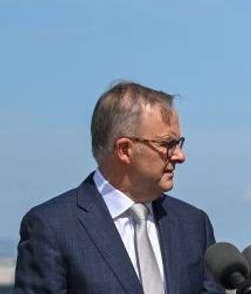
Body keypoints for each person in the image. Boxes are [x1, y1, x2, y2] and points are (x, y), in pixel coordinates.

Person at [15, 81, 223, 293]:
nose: (180, 156)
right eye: (167, 144)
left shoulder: (194, 224)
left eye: (179, 143)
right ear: (124, 150)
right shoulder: (53, 226)